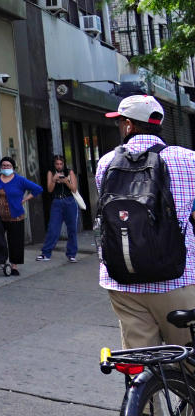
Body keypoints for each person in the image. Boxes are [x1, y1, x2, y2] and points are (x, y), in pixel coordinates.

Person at [97, 94, 195, 348]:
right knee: (187, 361)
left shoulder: (106, 163)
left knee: (140, 362)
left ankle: (142, 386)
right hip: (178, 279)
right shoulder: (188, 159)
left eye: (120, 122)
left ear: (128, 125)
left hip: (123, 280)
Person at [0, 156, 42, 276]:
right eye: (3, 166)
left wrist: (25, 199)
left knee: (15, 242)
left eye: (8, 166)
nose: (5, 168)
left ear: (13, 167)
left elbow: (38, 189)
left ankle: (14, 266)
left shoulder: (20, 180)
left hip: (15, 216)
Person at [36, 155, 80, 263]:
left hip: (69, 201)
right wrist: (54, 180)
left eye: (61, 164)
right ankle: (46, 253)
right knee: (53, 228)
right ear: (54, 164)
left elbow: (74, 189)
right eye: (57, 164)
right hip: (57, 201)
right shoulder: (51, 173)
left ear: (64, 164)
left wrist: (66, 181)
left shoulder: (69, 172)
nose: (59, 166)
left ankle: (71, 254)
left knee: (72, 229)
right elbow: (50, 190)